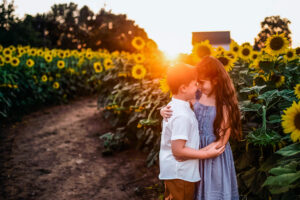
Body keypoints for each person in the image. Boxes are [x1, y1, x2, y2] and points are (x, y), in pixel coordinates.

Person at [161, 56, 241, 200]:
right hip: (192, 153)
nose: (198, 85)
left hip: (213, 156)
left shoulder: (224, 105)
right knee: (190, 192)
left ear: (216, 80)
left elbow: (221, 142)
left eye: (202, 82)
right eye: (196, 82)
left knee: (212, 192)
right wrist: (162, 110)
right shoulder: (196, 95)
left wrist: (204, 153)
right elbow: (178, 104)